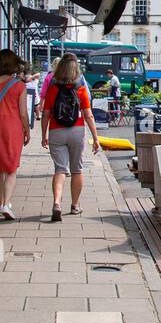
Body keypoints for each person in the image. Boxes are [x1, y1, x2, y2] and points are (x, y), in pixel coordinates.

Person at [41, 53, 101, 222]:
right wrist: (95, 138)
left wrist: (44, 134)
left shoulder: (53, 87)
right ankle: (75, 206)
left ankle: (57, 203)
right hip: (76, 130)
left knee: (60, 170)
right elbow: (88, 115)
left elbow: (46, 114)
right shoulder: (80, 88)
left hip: (56, 131)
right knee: (77, 170)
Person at [0, 50, 31, 221]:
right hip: (12, 128)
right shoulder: (19, 86)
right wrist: (27, 130)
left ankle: (2, 202)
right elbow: (23, 113)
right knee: (11, 168)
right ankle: (5, 204)